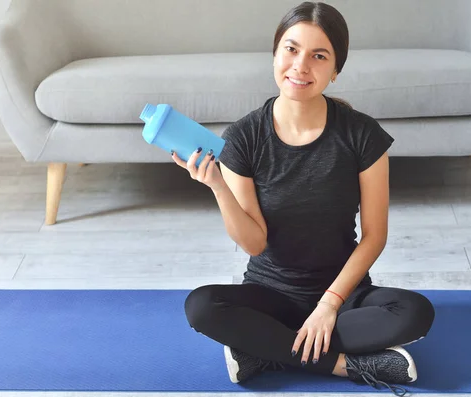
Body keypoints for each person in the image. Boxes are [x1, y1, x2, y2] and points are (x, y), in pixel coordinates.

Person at [173, 2, 435, 395]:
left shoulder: (362, 135)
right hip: (269, 295)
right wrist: (218, 186)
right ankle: (348, 366)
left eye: (319, 56)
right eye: (291, 50)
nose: (300, 66)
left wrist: (329, 306)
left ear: (336, 70)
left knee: (415, 312)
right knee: (201, 307)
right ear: (275, 54)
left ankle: (266, 350)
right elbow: (254, 242)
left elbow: (374, 236)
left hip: (345, 295)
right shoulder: (243, 138)